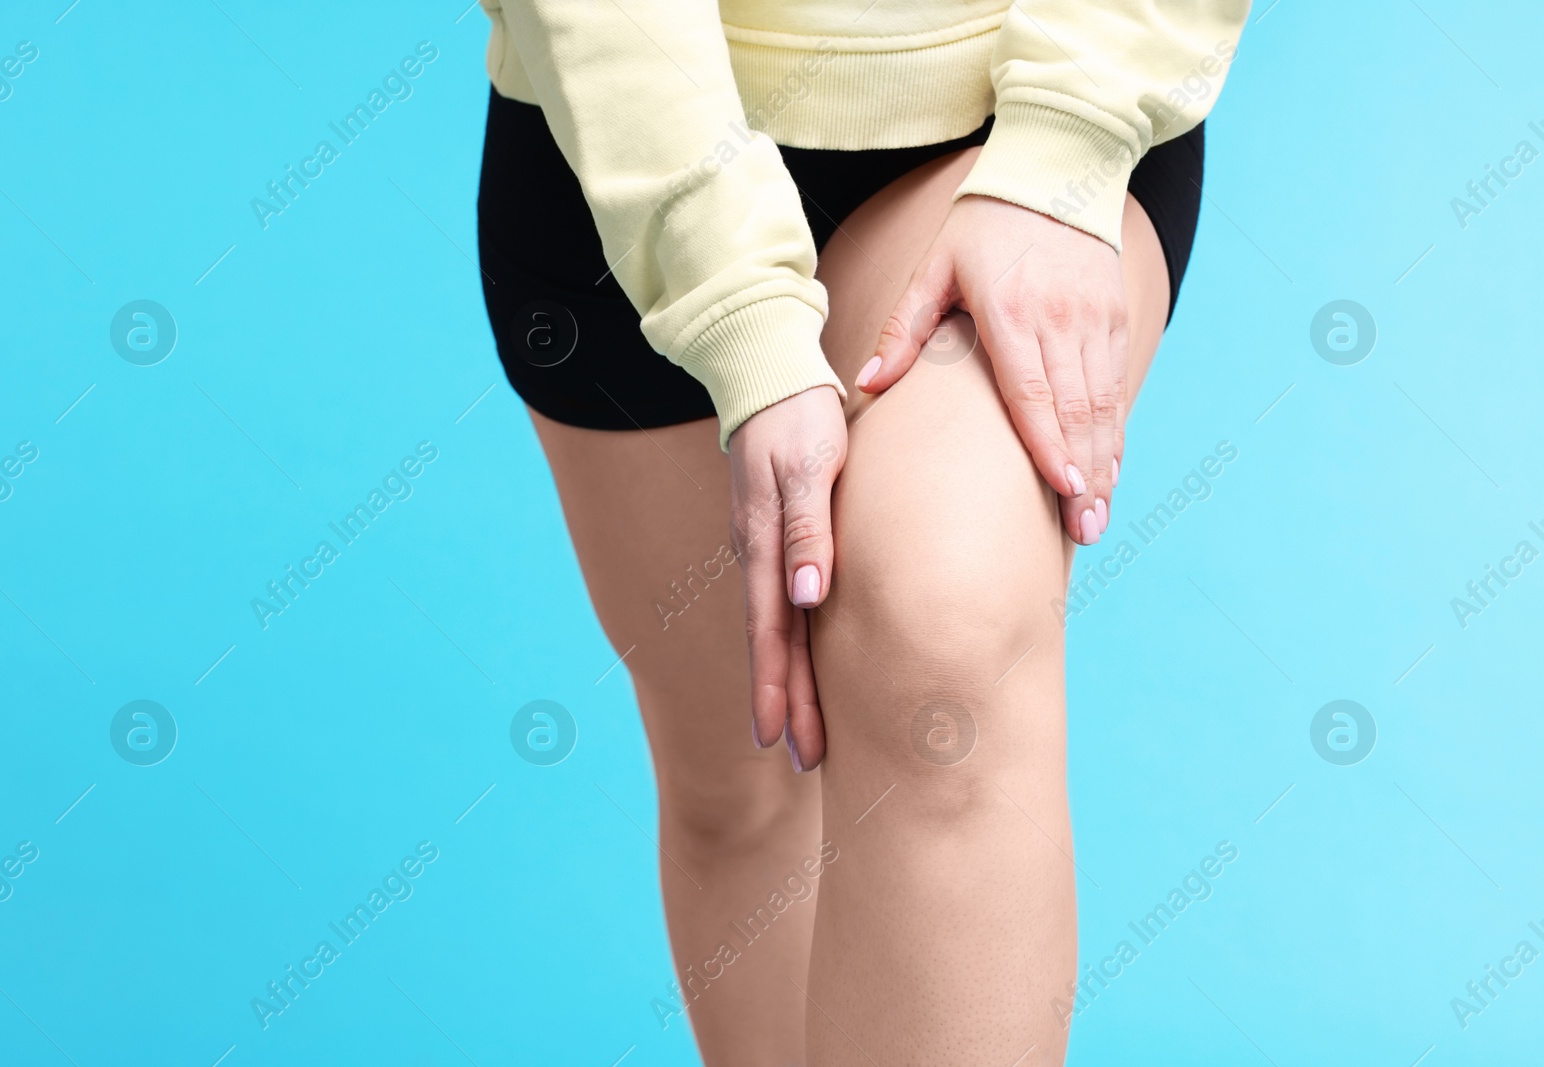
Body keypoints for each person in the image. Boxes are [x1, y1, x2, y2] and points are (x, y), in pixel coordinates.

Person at [477, 1, 1249, 1061]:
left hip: (1007, 106)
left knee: (940, 638)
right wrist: (737, 308)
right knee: (745, 779)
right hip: (633, 118)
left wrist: (1065, 142)